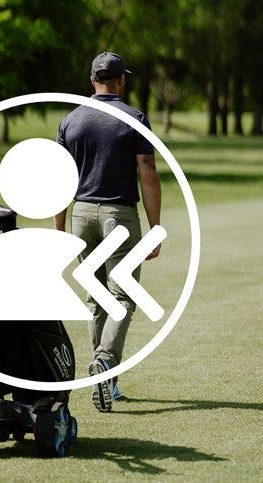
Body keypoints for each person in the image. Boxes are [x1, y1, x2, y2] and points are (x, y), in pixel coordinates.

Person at [54, 52, 162, 412]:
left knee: (96, 296)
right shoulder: (133, 118)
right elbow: (147, 171)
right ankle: (104, 364)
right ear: (121, 81)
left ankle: (107, 381)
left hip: (81, 214)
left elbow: (59, 182)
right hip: (118, 214)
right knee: (124, 295)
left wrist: (59, 231)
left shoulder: (70, 121)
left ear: (92, 81)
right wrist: (155, 225)